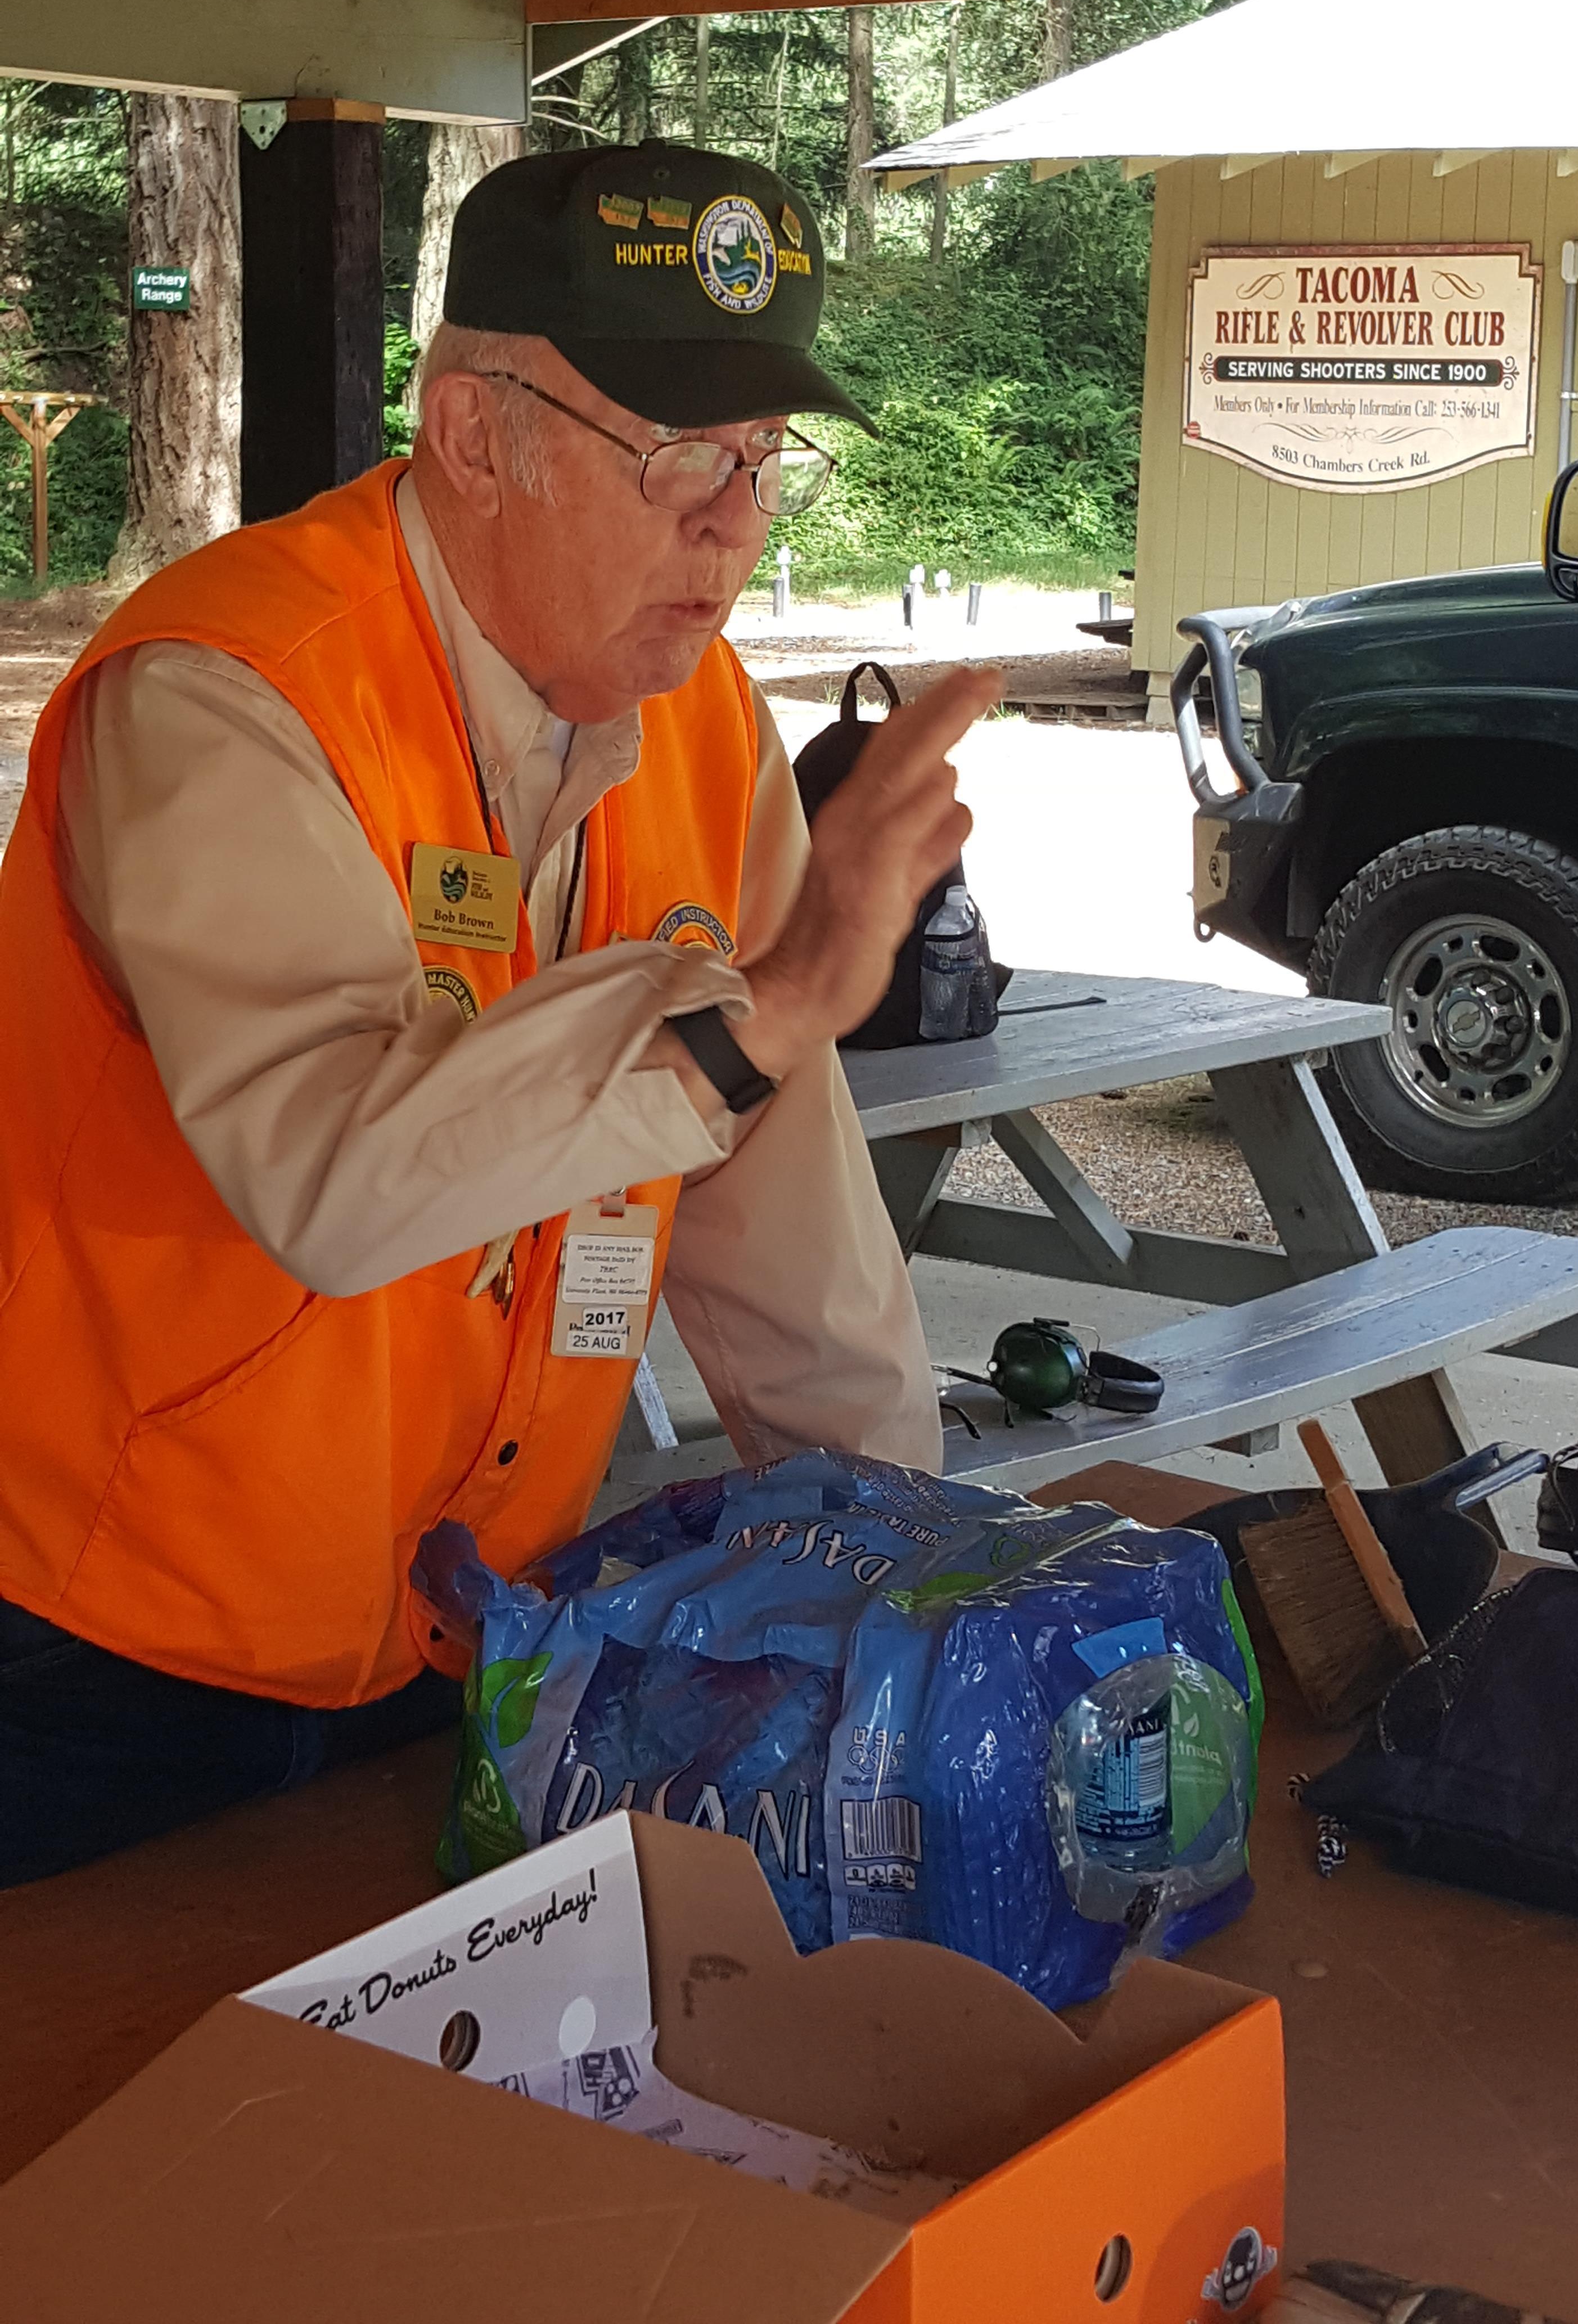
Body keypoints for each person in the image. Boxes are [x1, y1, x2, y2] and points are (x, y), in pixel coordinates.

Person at [0, 141, 1000, 1884]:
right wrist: (736, 1023)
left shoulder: (702, 724)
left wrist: (906, 1554)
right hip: (101, 1624)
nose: (732, 526)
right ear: (474, 436)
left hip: (464, 1609)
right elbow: (336, 1184)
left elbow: (776, 1208)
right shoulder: (229, 691)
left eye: (761, 461)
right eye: (679, 453)